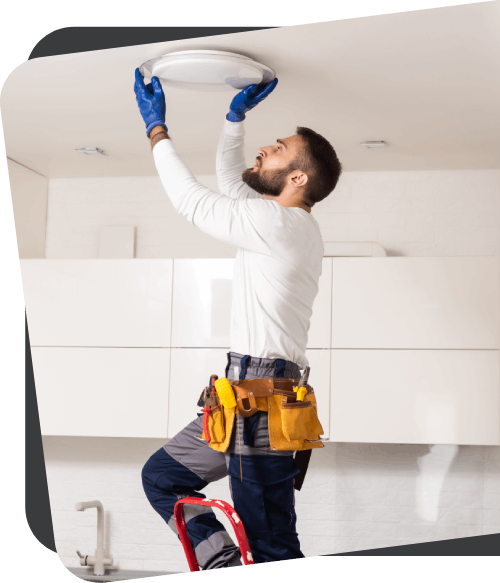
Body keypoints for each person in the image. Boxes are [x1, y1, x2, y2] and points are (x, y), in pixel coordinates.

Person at [134, 68, 342, 568]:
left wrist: (157, 130)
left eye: (278, 149)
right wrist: (234, 120)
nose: (265, 151)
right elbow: (232, 183)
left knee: (272, 543)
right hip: (240, 393)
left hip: (262, 401)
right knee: (163, 477)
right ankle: (222, 561)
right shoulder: (286, 223)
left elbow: (191, 200)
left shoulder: (278, 225)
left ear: (298, 179)